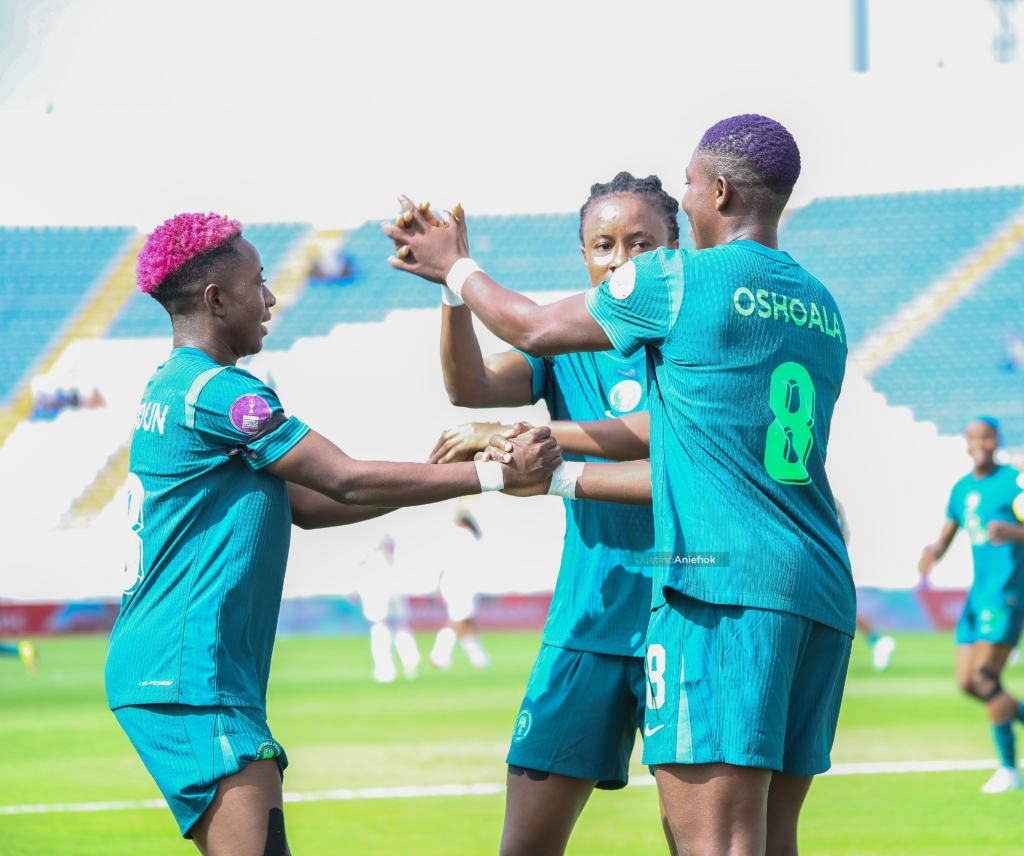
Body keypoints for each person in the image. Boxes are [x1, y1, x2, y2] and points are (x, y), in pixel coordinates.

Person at [384, 113, 855, 856]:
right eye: (603, 244)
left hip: (717, 589)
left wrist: (457, 267)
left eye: (690, 186)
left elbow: (535, 329)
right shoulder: (819, 304)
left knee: (715, 842)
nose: (687, 201)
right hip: (811, 584)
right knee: (768, 839)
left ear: (718, 192)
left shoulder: (680, 282)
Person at [105, 212, 561, 856]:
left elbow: (309, 503)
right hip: (191, 675)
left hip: (176, 670)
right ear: (216, 299)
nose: (270, 298)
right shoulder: (220, 393)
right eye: (258, 282)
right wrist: (496, 475)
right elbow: (344, 478)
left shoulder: (173, 385)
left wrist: (437, 471)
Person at [425, 172, 679, 855]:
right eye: (604, 245)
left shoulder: (693, 336)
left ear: (675, 250)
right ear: (584, 255)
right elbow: (470, 386)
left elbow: (660, 440)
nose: (621, 261)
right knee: (526, 845)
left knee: (704, 839)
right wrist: (451, 287)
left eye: (642, 244)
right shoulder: (564, 344)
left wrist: (528, 437)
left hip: (687, 613)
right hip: (587, 617)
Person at [919, 416, 1024, 793]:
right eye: (973, 438)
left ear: (997, 439)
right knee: (967, 682)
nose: (979, 444)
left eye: (986, 437)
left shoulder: (1015, 481)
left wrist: (1015, 532)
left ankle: (1009, 770)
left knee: (985, 678)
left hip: (1007, 593)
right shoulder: (962, 488)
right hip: (977, 597)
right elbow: (948, 532)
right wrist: (933, 553)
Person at [429, 504, 491, 670]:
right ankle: (439, 656)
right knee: (459, 620)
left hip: (453, 582)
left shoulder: (453, 535)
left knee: (465, 621)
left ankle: (478, 658)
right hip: (461, 583)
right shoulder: (465, 535)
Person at [836, 499, 896, 671]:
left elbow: (845, 531)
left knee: (841, 605)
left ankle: (877, 641)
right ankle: (877, 641)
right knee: (842, 606)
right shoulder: (832, 500)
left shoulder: (825, 497)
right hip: (829, 560)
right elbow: (846, 531)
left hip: (826, 561)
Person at [357, 535, 421, 683]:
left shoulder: (373, 560)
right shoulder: (391, 559)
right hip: (394, 598)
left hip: (382, 599)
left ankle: (386, 671)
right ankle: (411, 664)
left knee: (382, 632)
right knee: (401, 631)